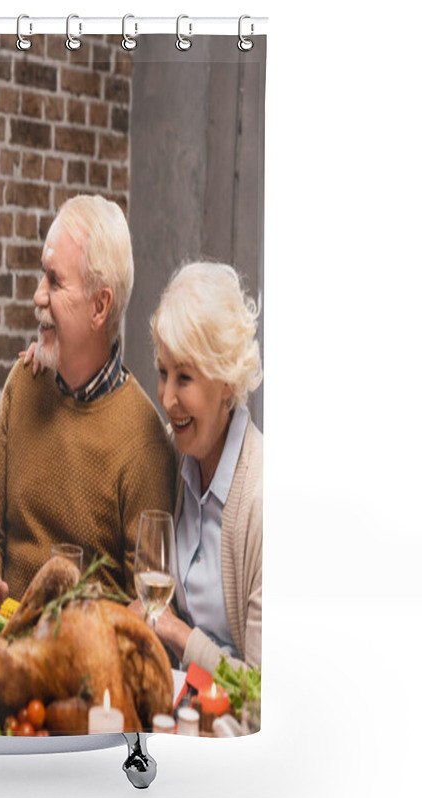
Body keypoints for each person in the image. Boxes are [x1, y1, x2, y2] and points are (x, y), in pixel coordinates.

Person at [0, 195, 175, 606]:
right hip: (1, 643)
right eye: (43, 277)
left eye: (55, 281)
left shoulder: (144, 442)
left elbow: (146, 610)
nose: (37, 296)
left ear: (100, 306)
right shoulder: (23, 383)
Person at [149, 261, 263, 673]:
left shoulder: (262, 500)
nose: (166, 397)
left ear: (227, 381)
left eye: (185, 378)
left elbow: (262, 692)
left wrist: (178, 635)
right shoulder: (177, 452)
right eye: (164, 373)